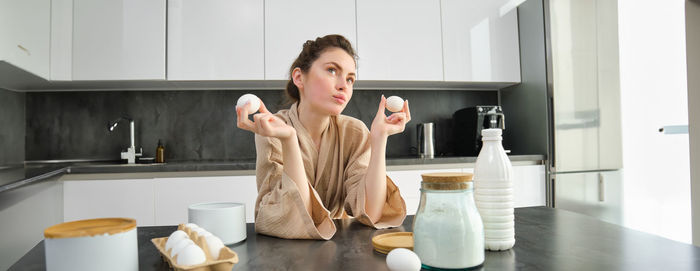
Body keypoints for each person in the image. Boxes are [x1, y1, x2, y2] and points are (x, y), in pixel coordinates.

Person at [235, 34, 411, 240]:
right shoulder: (274, 129)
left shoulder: (354, 132)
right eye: (332, 70)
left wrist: (379, 139)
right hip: (289, 254)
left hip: (343, 250)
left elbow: (372, 212)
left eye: (350, 79)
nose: (343, 85)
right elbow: (291, 217)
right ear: (299, 77)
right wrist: (290, 139)